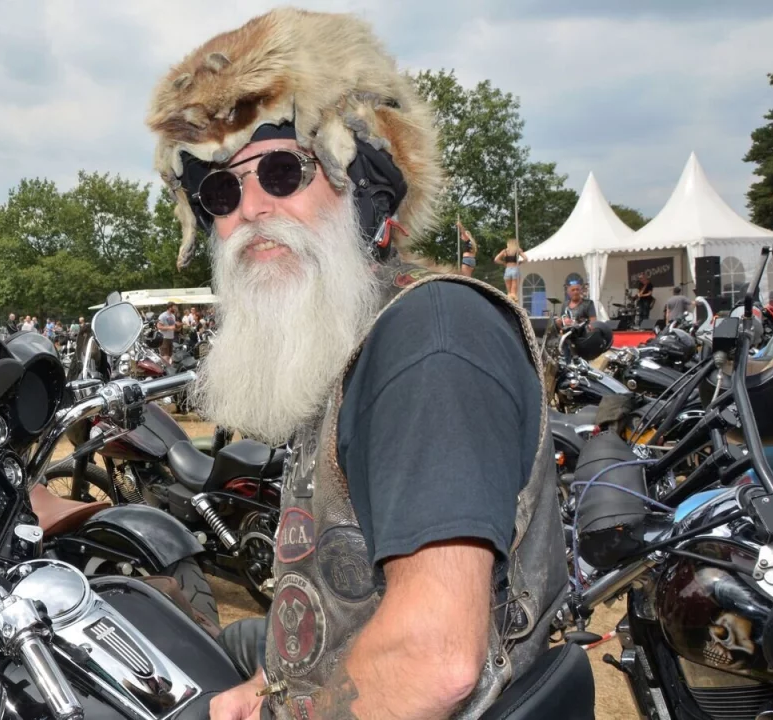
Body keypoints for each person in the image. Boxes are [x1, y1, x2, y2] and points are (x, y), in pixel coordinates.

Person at [145, 8, 565, 718]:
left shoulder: (429, 340)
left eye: (282, 170)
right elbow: (341, 607)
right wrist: (271, 687)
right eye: (220, 190)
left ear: (364, 180)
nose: (250, 209)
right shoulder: (350, 337)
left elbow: (432, 660)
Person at [495, 237, 528, 304]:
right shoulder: (518, 250)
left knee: (509, 293)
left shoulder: (505, 251)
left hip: (507, 270)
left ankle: (509, 305)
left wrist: (504, 263)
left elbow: (496, 259)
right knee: (514, 293)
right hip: (515, 269)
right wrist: (520, 262)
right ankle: (514, 305)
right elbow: (525, 258)